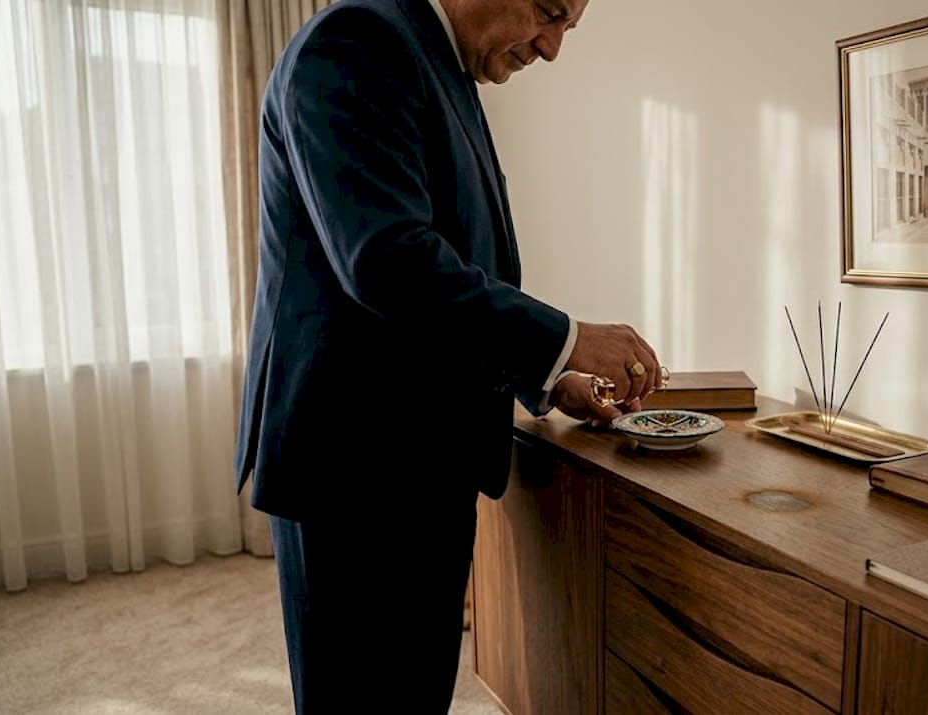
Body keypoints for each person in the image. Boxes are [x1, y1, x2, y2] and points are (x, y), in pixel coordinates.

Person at [232, 0, 660, 711]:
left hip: (420, 463)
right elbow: (388, 261)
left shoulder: (442, 65)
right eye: (549, 13)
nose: (552, 48)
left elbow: (462, 272)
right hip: (354, 469)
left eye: (567, 28)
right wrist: (569, 338)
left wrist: (550, 379)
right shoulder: (357, 40)